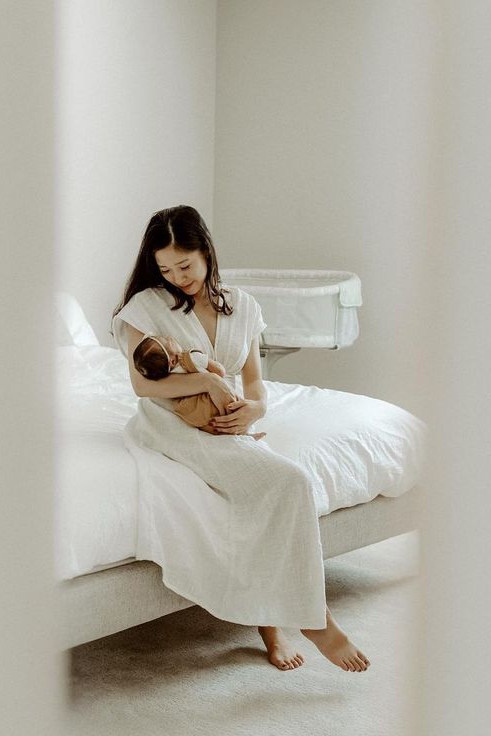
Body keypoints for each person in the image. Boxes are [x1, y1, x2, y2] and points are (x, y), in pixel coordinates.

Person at [111, 205, 370, 672]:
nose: (176, 277)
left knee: (268, 491)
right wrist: (207, 383)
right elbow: (143, 385)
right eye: (166, 269)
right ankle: (315, 619)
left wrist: (255, 408)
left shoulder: (243, 305)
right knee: (288, 482)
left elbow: (254, 382)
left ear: (206, 252)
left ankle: (273, 626)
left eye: (185, 266)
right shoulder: (145, 307)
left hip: (230, 422)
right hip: (171, 425)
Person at [133, 333, 267, 439]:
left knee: (215, 426)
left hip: (191, 413)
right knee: (233, 407)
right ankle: (245, 436)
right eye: (168, 340)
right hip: (212, 400)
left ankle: (238, 437)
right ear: (172, 360)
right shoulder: (191, 358)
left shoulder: (165, 375)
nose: (169, 337)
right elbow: (220, 371)